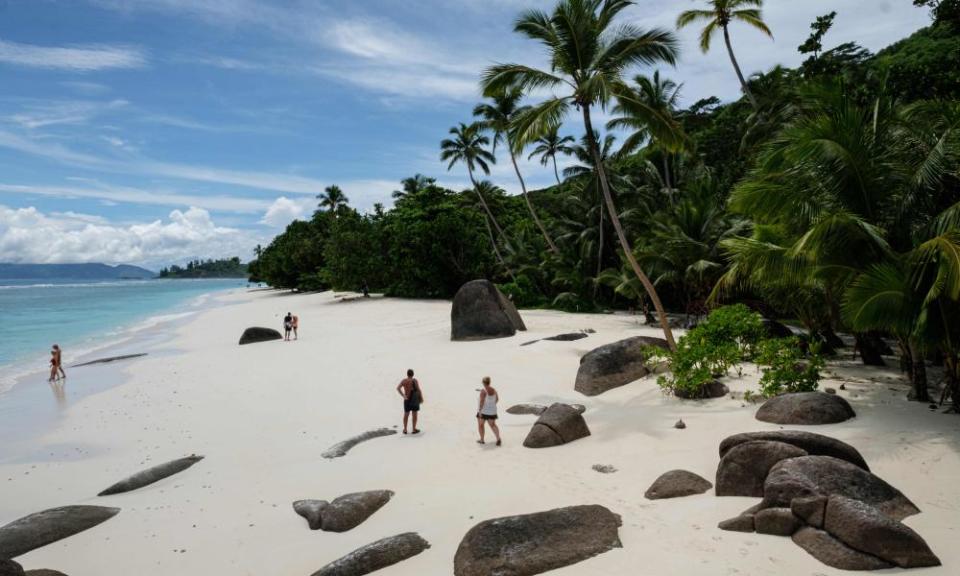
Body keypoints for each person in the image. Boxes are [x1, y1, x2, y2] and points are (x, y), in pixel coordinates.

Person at [396, 369, 423, 434]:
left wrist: (403, 395)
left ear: (407, 374)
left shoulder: (404, 381)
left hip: (407, 399)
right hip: (414, 399)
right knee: (414, 414)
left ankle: (405, 429)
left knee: (406, 414)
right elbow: (419, 390)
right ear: (413, 374)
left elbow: (398, 388)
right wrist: (421, 398)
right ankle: (414, 429)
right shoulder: (415, 380)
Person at [476, 376, 501, 446]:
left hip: (483, 411)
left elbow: (481, 402)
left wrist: (480, 411)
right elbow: (497, 399)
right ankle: (498, 439)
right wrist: (491, 405)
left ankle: (482, 440)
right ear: (489, 382)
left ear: (483, 383)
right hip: (492, 411)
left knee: (481, 425)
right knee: (493, 425)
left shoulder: (483, 391)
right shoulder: (494, 390)